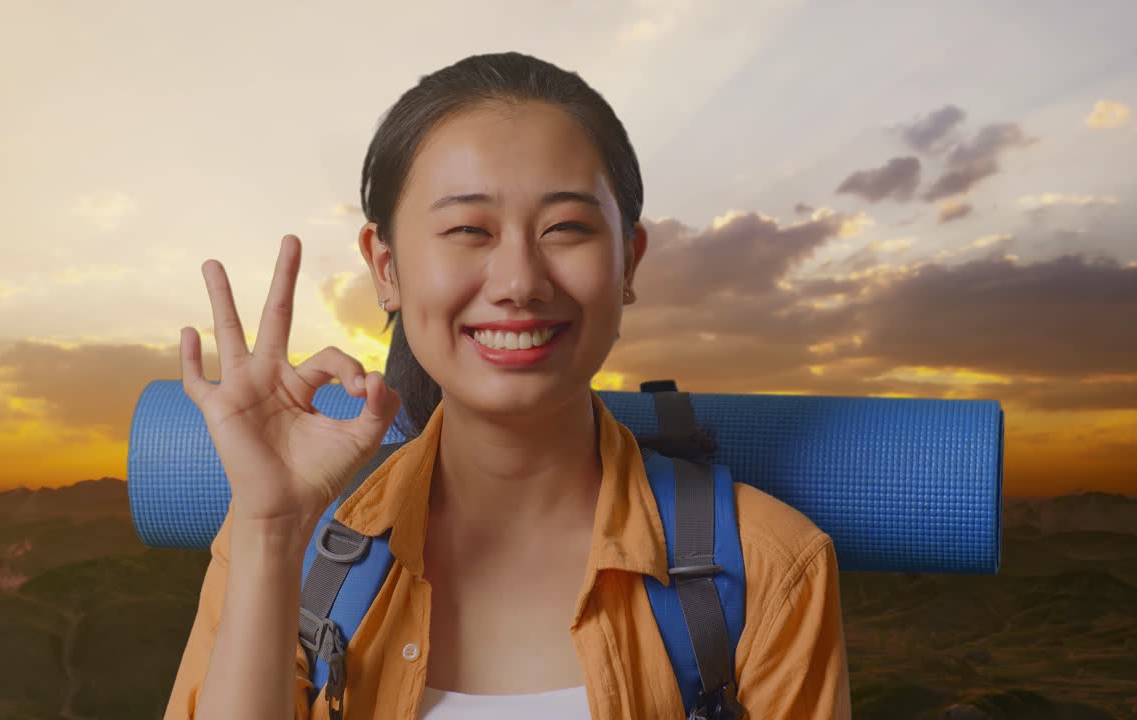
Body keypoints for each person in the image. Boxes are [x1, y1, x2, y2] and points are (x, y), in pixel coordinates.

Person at [164, 51, 851, 720]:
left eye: (567, 228)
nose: (520, 281)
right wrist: (269, 530)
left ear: (628, 262)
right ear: (386, 268)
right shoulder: (280, 545)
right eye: (467, 229)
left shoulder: (771, 570)